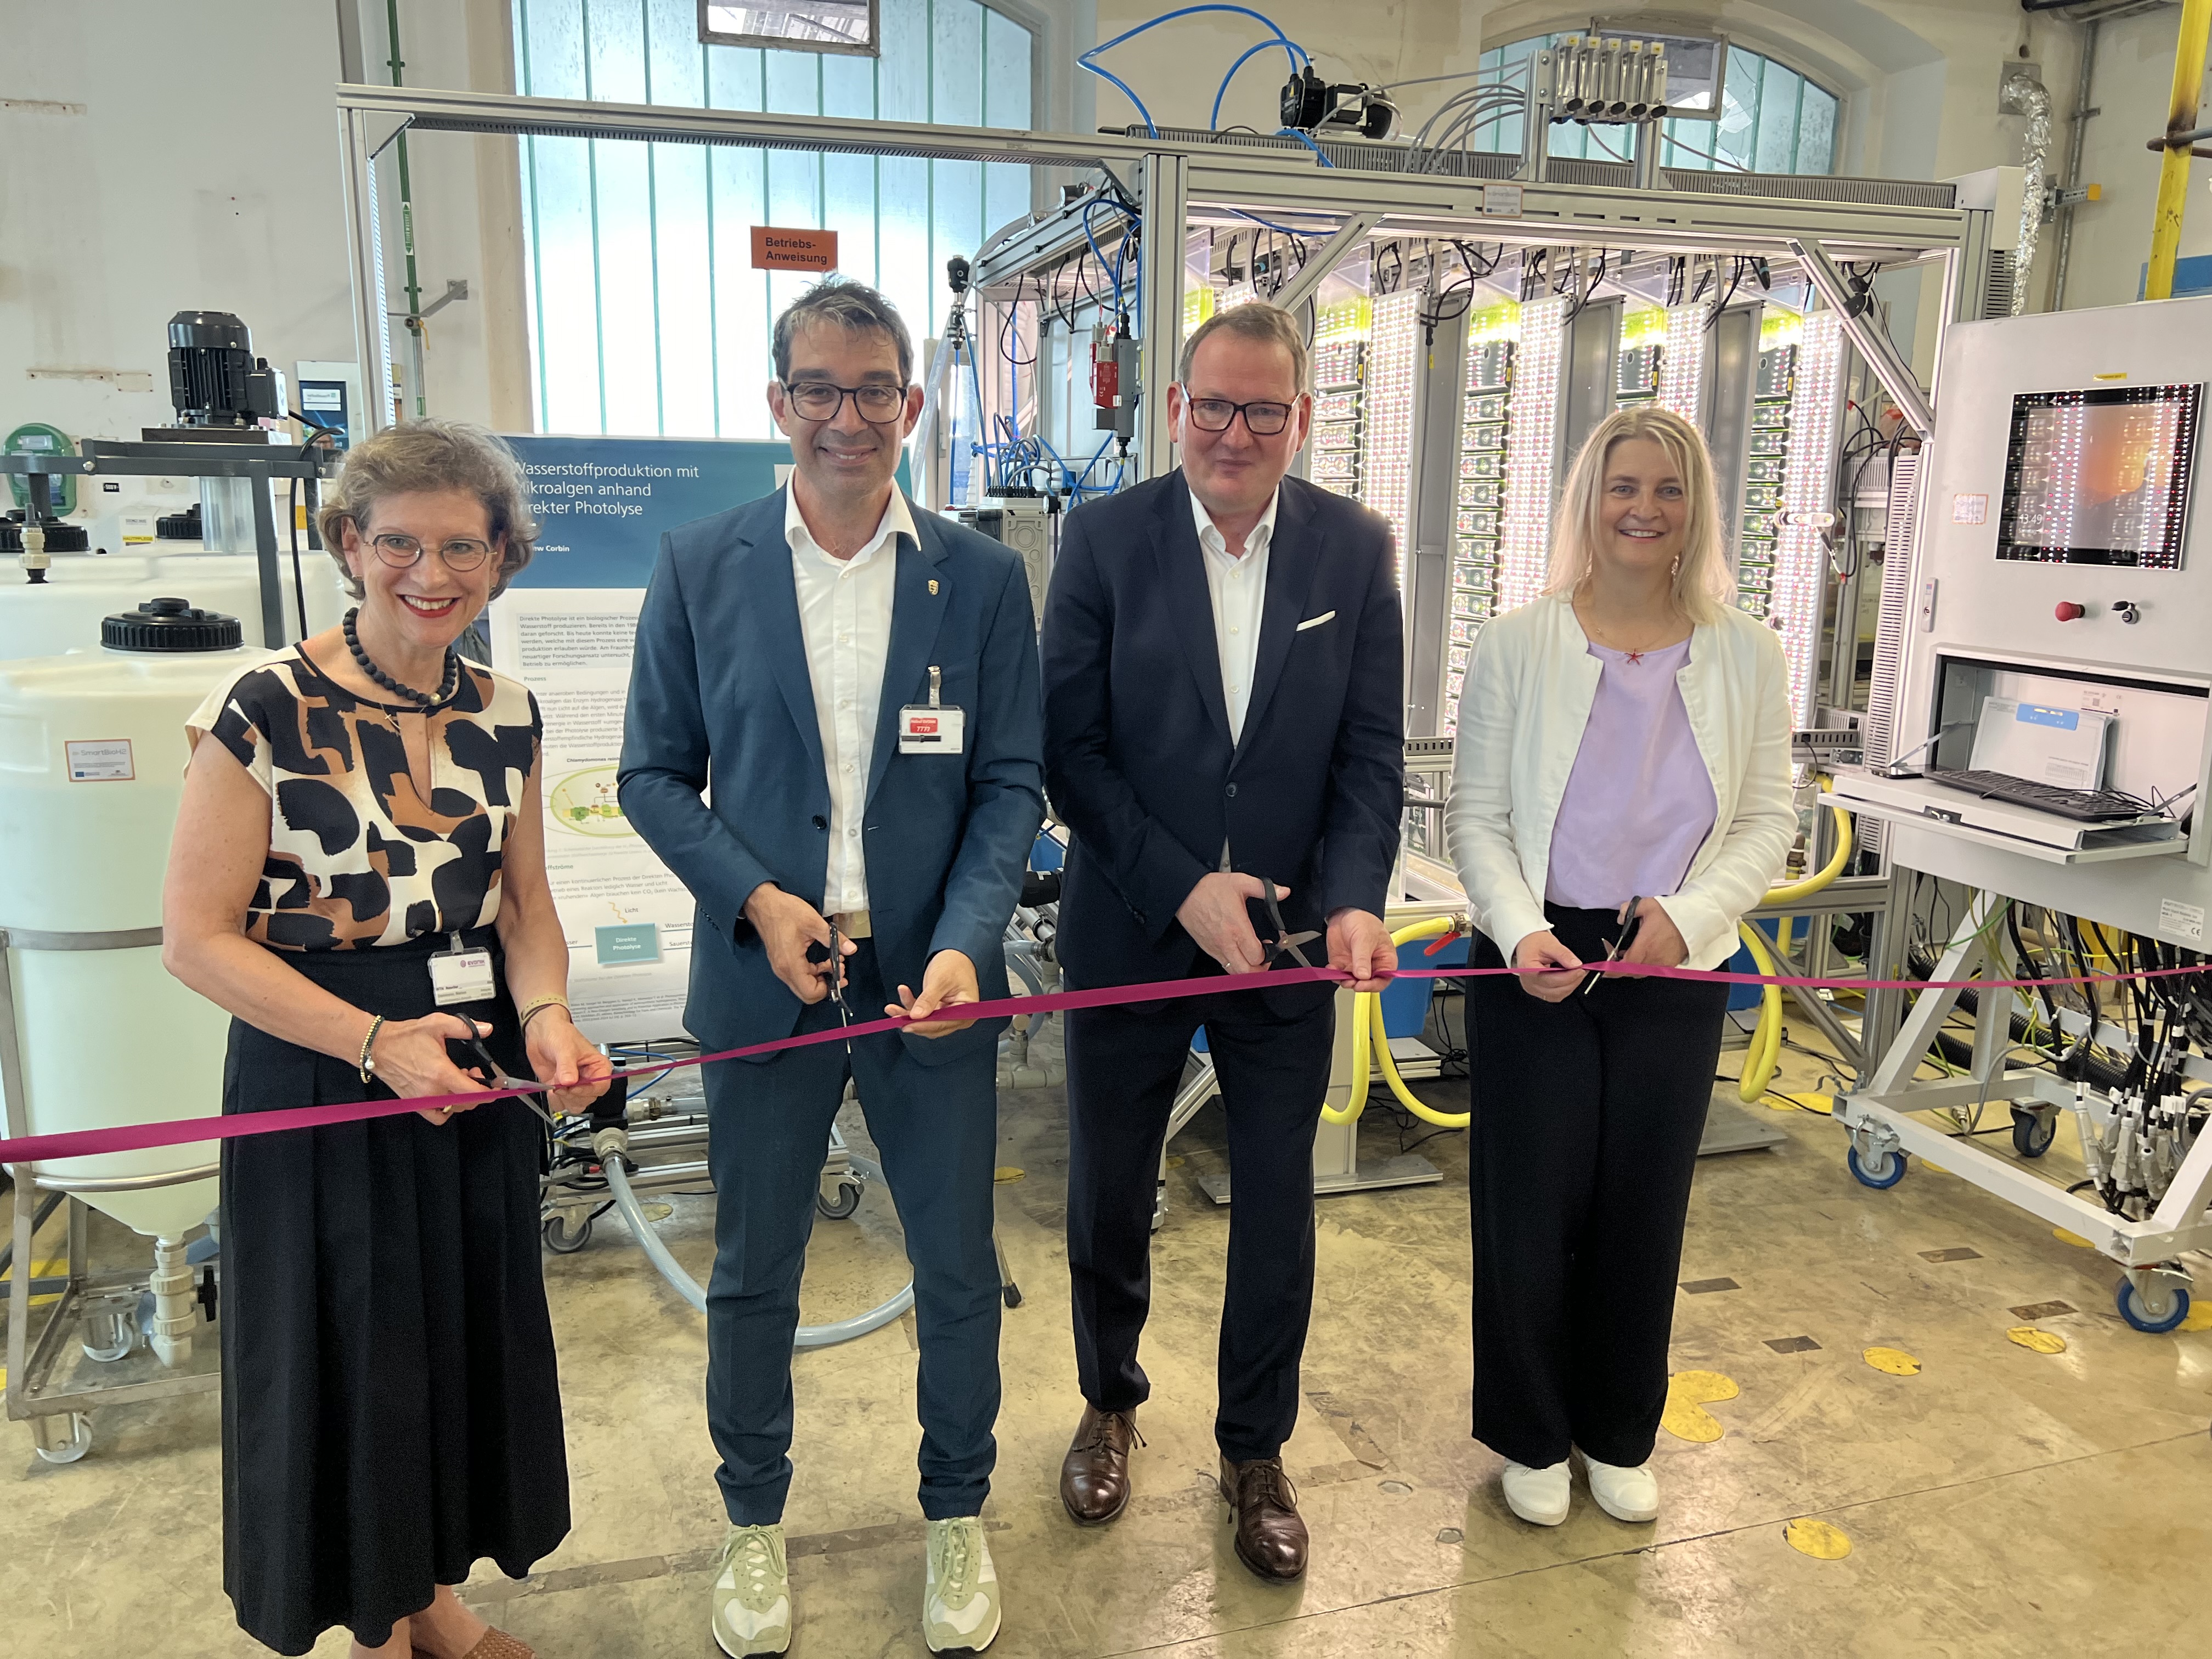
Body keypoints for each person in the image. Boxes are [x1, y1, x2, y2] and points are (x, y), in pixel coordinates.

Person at [619, 277, 1043, 1657]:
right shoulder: (701, 567)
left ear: (913, 406)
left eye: (874, 392)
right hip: (766, 985)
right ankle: (753, 1525)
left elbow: (1009, 787)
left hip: (932, 988)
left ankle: (956, 1510)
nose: (847, 418)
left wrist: (972, 942)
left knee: (959, 1269)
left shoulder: (978, 579)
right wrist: (756, 899)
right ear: (776, 405)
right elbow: (651, 775)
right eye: (819, 390)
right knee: (753, 1271)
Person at [162, 419, 612, 1658]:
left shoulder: (508, 712)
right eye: (399, 543)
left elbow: (524, 910)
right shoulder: (262, 707)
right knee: (351, 1352)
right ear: (350, 546)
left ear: (504, 555)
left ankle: (434, 1603)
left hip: (466, 1062)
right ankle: (373, 1625)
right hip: (321, 1056)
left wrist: (550, 1020)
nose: (433, 573)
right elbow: (197, 941)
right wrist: (375, 1043)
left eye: (463, 545)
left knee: (452, 1345)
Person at [1040, 301, 1403, 1582]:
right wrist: (1180, 883)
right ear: (1175, 406)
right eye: (1212, 405)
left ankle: (1257, 1449)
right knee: (1110, 1187)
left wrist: (1357, 892)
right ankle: (1110, 1401)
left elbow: (1370, 755)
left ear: (1301, 419)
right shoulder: (1105, 541)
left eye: (1262, 410)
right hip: (1133, 927)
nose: (1233, 433)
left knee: (1278, 1204)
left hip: (1292, 941)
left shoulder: (1353, 551)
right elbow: (1069, 756)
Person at [1444, 404, 1794, 1530]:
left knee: (1645, 1204)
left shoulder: (1749, 653)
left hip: (1672, 956)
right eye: (1623, 486)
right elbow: (1479, 817)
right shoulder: (1518, 643)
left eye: (1669, 488)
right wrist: (1514, 929)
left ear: (1697, 511)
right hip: (1536, 949)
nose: (1644, 508)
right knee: (1529, 1204)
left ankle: (1618, 1431)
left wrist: (1687, 922)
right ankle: (1535, 1436)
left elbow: (1768, 820)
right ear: (1589, 503)